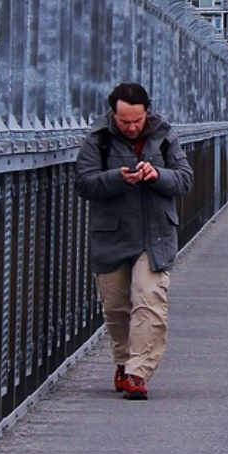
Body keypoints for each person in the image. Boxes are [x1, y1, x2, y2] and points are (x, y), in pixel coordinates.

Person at [75, 82, 192, 402]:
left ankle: (138, 373)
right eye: (124, 121)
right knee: (116, 308)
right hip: (113, 235)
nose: (131, 127)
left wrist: (156, 175)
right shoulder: (97, 140)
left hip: (155, 235)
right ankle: (124, 362)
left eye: (136, 121)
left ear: (146, 112)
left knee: (149, 299)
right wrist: (117, 178)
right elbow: (84, 184)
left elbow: (184, 179)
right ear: (113, 114)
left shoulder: (165, 136)